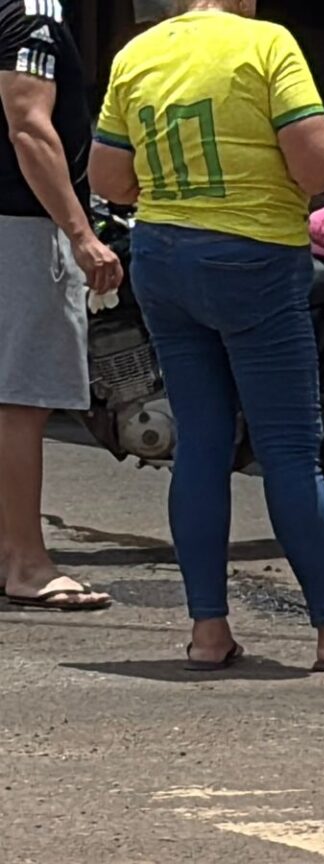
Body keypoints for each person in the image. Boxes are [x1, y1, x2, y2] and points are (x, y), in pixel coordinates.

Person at [87, 0, 324, 672]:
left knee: (202, 446)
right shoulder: (266, 45)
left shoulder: (137, 55)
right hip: (253, 260)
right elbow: (320, 163)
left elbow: (109, 180)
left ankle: (209, 632)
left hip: (164, 260)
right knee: (288, 448)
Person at [0, 0, 122, 611]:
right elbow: (28, 123)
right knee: (22, 399)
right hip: (21, 223)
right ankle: (25, 561)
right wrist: (80, 233)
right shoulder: (32, 10)